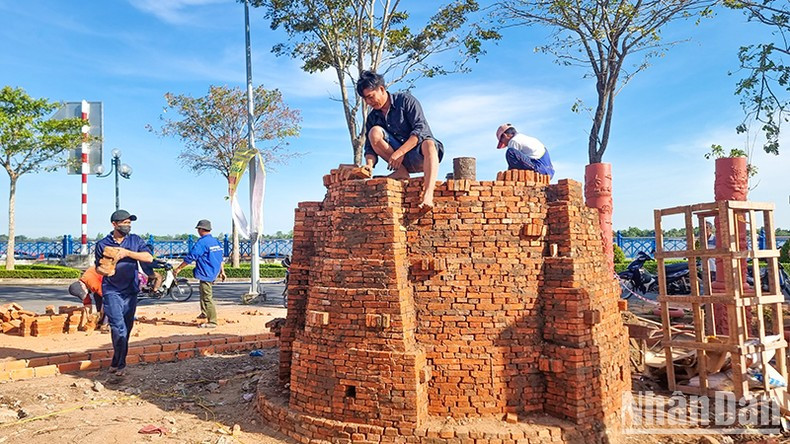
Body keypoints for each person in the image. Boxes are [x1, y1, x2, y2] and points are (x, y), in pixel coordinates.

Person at [356, 70, 444, 209]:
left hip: (419, 155)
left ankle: (428, 196)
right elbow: (369, 146)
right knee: (374, 132)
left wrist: (400, 153)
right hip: (398, 162)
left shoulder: (406, 101)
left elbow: (420, 130)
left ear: (381, 89)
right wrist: (368, 165)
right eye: (365, 99)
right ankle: (402, 172)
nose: (369, 102)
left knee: (429, 143)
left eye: (371, 97)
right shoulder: (373, 117)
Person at [95, 209, 154, 378]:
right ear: (114, 224)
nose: (128, 226)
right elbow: (98, 268)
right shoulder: (102, 243)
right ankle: (121, 364)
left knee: (126, 328)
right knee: (117, 326)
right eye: (125, 223)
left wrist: (127, 253)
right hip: (112, 290)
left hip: (130, 290)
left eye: (129, 223)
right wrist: (106, 271)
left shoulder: (135, 240)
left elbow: (149, 258)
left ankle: (116, 360)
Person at [172, 219, 226, 328]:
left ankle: (212, 321)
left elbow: (191, 257)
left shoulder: (202, 243)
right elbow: (220, 258)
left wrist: (178, 269)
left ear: (201, 230)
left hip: (206, 272)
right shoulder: (216, 241)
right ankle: (204, 313)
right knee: (202, 292)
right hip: (213, 271)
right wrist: (222, 271)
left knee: (207, 296)